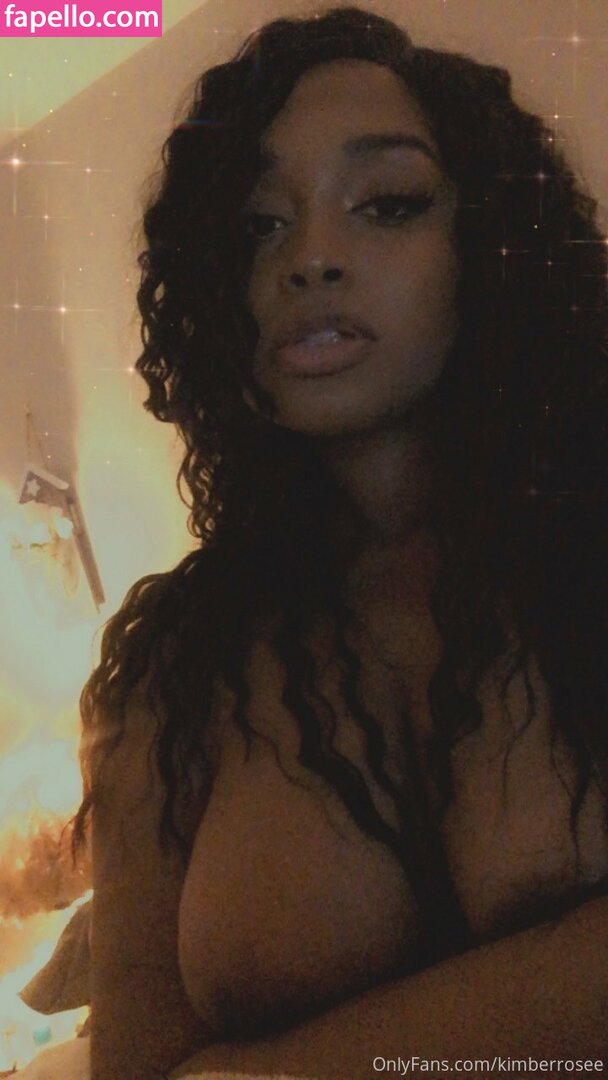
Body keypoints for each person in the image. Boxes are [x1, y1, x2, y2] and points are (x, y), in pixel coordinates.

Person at [72, 7, 608, 1079]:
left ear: (489, 243)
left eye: (388, 204)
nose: (311, 259)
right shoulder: (172, 674)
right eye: (259, 226)